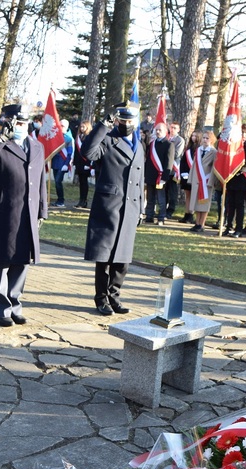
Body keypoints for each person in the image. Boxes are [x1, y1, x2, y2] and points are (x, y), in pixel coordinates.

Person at [0, 104, 47, 326]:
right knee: (1, 262)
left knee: (22, 261)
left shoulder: (36, 146)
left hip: (28, 212)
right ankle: (0, 308)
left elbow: (41, 179)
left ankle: (15, 305)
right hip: (4, 212)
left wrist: (42, 209)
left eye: (24, 123)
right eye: (17, 123)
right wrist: (0, 138)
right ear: (6, 122)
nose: (21, 127)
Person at [82, 101, 144, 315]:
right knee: (105, 256)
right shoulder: (108, 139)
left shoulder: (139, 143)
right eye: (122, 120)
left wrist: (141, 205)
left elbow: (140, 176)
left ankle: (114, 295)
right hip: (109, 205)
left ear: (136, 121)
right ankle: (101, 298)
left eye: (130, 120)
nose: (126, 124)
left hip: (131, 206)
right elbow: (88, 152)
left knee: (123, 258)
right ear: (117, 121)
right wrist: (103, 124)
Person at [144, 122, 175, 225]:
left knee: (161, 199)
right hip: (150, 175)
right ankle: (149, 216)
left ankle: (161, 218)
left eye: (160, 130)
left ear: (165, 132)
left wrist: (164, 178)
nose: (157, 132)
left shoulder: (169, 145)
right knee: (150, 198)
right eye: (156, 130)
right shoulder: (152, 144)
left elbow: (169, 162)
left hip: (160, 176)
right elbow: (148, 160)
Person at [189, 130, 217, 233]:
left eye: (207, 138)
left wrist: (211, 181)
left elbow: (214, 168)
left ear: (212, 140)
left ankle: (202, 224)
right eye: (204, 138)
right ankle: (197, 223)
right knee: (196, 203)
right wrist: (191, 179)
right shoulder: (198, 150)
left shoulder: (213, 152)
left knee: (204, 203)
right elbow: (194, 165)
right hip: (197, 180)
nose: (205, 140)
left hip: (206, 180)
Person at [51, 118, 74, 207]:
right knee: (56, 182)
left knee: (58, 181)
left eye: (62, 126)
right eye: (59, 125)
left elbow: (70, 153)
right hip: (55, 162)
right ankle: (58, 200)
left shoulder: (69, 138)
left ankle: (61, 200)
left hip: (63, 163)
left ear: (66, 127)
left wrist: (66, 164)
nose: (60, 127)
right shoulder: (56, 136)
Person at [179, 130, 200, 224]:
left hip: (196, 176)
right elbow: (183, 162)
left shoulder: (199, 149)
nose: (193, 138)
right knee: (188, 195)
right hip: (186, 175)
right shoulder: (188, 150)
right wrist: (183, 173)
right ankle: (186, 214)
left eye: (195, 136)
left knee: (193, 196)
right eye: (192, 136)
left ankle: (191, 214)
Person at [166, 122, 185, 217]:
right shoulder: (166, 138)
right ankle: (163, 210)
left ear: (178, 130)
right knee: (164, 191)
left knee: (172, 192)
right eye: (171, 127)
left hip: (173, 169)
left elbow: (177, 154)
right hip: (165, 168)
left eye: (174, 128)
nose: (172, 129)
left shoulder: (180, 140)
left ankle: (170, 210)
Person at [73, 120, 92, 208]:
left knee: (84, 182)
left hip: (86, 162)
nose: (81, 128)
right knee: (81, 182)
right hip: (79, 163)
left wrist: (89, 164)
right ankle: (81, 200)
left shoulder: (89, 137)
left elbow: (90, 151)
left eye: (83, 127)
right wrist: (75, 163)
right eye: (81, 127)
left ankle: (84, 201)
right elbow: (76, 151)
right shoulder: (78, 137)